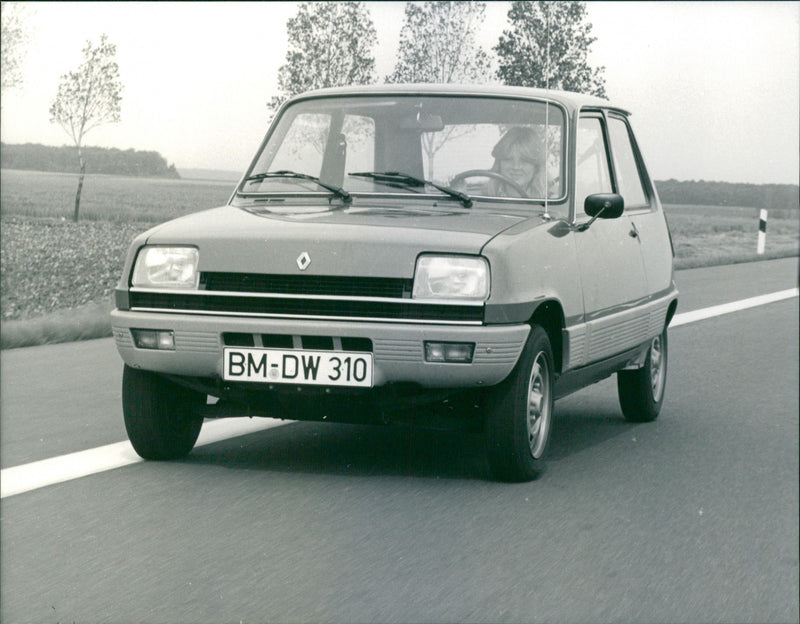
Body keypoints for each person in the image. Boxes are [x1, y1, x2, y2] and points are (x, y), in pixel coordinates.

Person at [488, 126, 546, 198]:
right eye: (508, 159)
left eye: (524, 160)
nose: (516, 167)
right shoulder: (480, 198)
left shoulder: (551, 202)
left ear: (536, 166)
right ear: (499, 163)